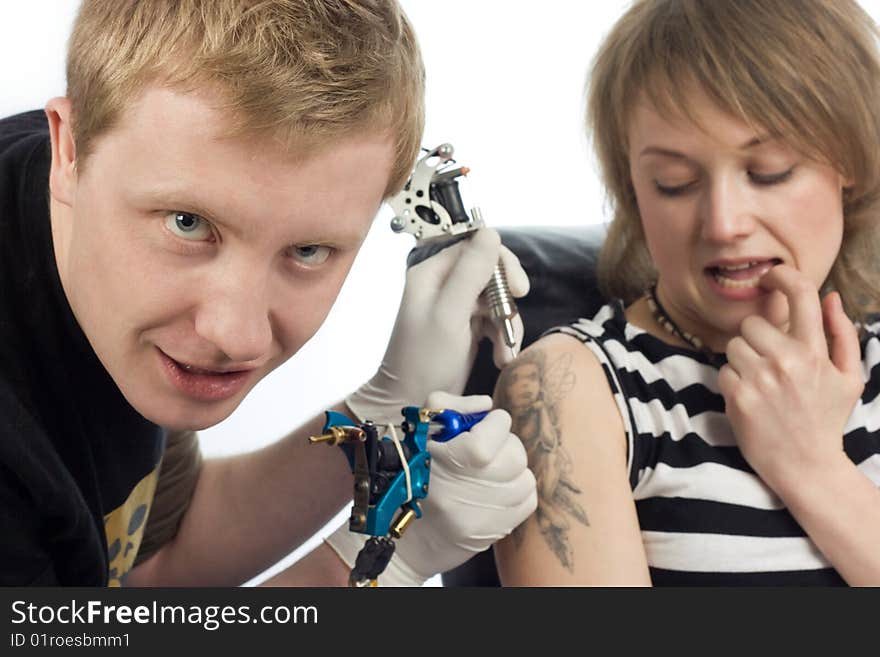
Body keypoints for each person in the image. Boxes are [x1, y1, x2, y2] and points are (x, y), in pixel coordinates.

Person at [0, 0, 537, 587]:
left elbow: (149, 562)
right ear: (69, 148)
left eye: (308, 251)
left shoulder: (100, 191)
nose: (236, 335)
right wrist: (380, 563)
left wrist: (381, 412)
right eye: (187, 223)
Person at [493, 0, 880, 586]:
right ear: (633, 188)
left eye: (769, 170)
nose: (723, 224)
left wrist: (812, 466)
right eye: (674, 183)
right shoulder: (567, 391)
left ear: (850, 159)